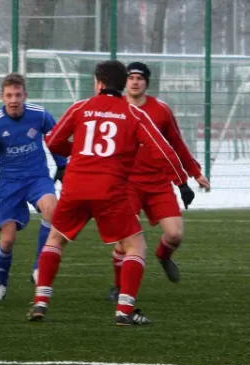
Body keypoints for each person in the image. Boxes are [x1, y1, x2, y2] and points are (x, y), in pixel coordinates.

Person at [27, 60, 189, 326]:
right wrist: (181, 182)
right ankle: (124, 310)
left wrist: (78, 152)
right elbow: (163, 150)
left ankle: (41, 303)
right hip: (110, 189)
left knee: (55, 239)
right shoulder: (133, 113)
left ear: (98, 83)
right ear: (123, 83)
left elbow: (53, 140)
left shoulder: (80, 107)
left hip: (76, 186)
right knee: (134, 245)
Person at [106, 62, 210, 301]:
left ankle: (164, 255)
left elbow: (177, 144)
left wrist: (195, 173)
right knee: (126, 238)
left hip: (158, 183)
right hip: (127, 184)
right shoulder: (116, 108)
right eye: (130, 77)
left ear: (147, 83)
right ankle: (117, 285)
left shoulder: (161, 110)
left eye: (139, 78)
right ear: (125, 82)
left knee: (175, 235)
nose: (134, 82)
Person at [0, 73, 67, 301]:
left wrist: (62, 166)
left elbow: (56, 138)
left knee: (53, 209)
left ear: (25, 95)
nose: (14, 100)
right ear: (2, 97)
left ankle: (39, 267)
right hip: (9, 185)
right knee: (7, 240)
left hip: (37, 178)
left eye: (18, 95)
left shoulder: (39, 115)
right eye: (9, 95)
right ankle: (1, 284)